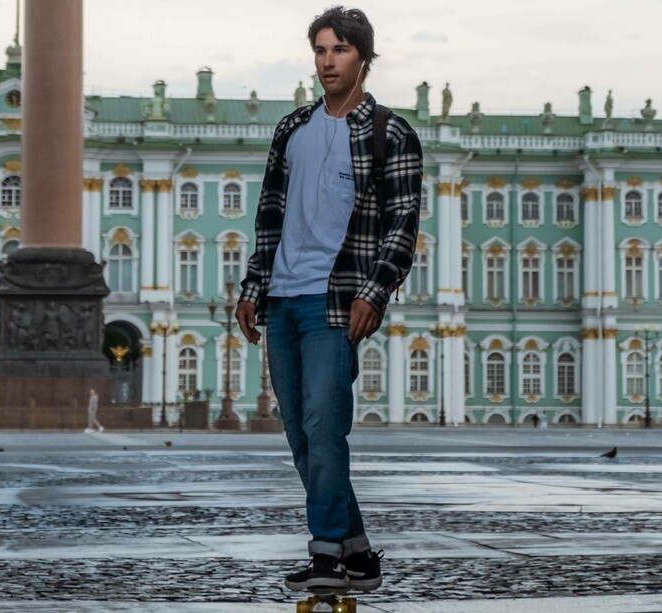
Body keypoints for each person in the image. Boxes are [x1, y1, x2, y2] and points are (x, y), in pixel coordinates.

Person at [236, 6, 422, 593]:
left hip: (336, 301)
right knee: (300, 433)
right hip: (283, 300)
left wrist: (375, 290)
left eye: (338, 50)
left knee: (324, 424)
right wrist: (252, 286)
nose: (326, 61)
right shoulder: (291, 129)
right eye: (319, 50)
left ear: (362, 57)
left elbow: (402, 225)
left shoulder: (389, 132)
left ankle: (325, 555)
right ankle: (359, 553)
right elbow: (270, 216)